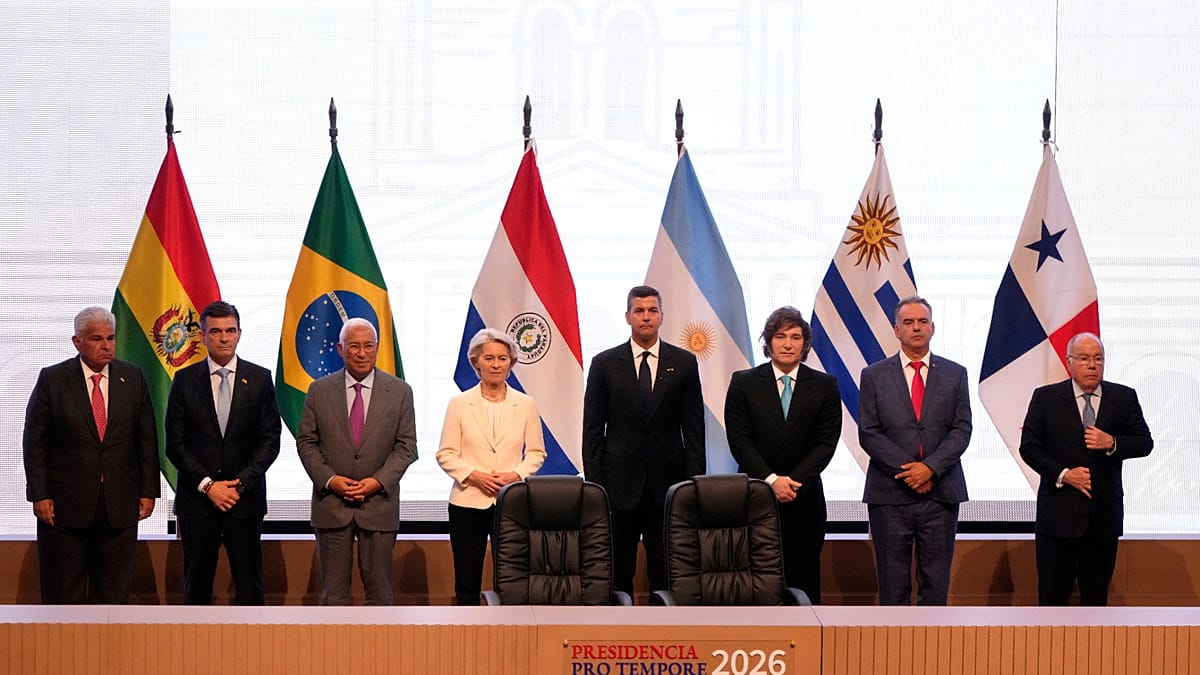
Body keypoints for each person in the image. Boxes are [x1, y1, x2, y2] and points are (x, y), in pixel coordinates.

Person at [22, 306, 159, 604]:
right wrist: (40, 495)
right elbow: (35, 444)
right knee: (63, 595)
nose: (106, 346)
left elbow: (146, 439)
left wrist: (148, 491)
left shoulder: (132, 377)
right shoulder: (53, 379)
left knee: (113, 596)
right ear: (77, 342)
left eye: (110, 338)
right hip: (64, 507)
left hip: (118, 505)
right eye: (97, 339)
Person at [583, 285, 705, 597]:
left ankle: (666, 627)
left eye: (652, 311)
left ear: (662, 316)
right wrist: (597, 487)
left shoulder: (684, 363)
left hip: (668, 487)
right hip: (617, 488)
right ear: (628, 317)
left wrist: (692, 485)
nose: (646, 317)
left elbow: (694, 430)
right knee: (617, 574)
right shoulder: (604, 364)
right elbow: (593, 431)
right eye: (639, 311)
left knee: (666, 574)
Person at [1019, 332, 1153, 606]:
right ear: (1069, 362)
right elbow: (1029, 448)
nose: (1092, 365)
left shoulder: (1124, 397)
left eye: (1098, 358)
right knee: (1052, 602)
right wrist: (1065, 474)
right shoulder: (1046, 398)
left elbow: (1144, 443)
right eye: (1083, 358)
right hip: (1057, 519)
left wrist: (1112, 442)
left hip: (1102, 518)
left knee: (1095, 603)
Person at [858, 296, 972, 605]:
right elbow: (868, 432)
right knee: (892, 587)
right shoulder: (873, 375)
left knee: (935, 587)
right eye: (908, 322)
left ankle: (931, 640)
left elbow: (962, 430)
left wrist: (930, 468)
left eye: (922, 321)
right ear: (896, 330)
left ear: (933, 327)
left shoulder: (955, 374)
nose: (916, 328)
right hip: (889, 495)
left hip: (940, 493)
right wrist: (910, 471)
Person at [165, 300, 281, 605]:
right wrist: (208, 486)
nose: (224, 338)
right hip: (197, 503)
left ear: (240, 333)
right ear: (203, 336)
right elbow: (175, 443)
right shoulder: (184, 380)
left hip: (244, 503)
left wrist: (238, 486)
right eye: (216, 331)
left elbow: (270, 441)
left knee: (250, 588)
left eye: (230, 330)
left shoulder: (260, 379)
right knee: (196, 588)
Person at [296, 317, 418, 605]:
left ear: (377, 348)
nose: (362, 353)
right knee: (334, 597)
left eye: (368, 346)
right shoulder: (318, 390)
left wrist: (377, 482)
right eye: (354, 346)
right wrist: (331, 480)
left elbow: (406, 446)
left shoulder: (400, 391)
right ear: (340, 349)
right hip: (332, 505)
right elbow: (306, 442)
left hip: (379, 505)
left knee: (380, 596)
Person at [725, 306, 840, 604]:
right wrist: (772, 480)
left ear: (805, 343)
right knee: (754, 584)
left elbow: (826, 443)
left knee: (803, 584)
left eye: (795, 337)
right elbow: (739, 440)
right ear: (768, 342)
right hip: (756, 496)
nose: (788, 344)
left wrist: (792, 481)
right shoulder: (743, 383)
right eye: (780, 336)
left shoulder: (825, 386)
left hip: (804, 498)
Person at [437, 328, 546, 605]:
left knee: (511, 580)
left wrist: (515, 475)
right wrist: (475, 476)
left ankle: (509, 629)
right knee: (467, 580)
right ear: (476, 362)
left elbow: (536, 453)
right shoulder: (459, 404)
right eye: (489, 358)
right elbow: (446, 454)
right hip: (467, 502)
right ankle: (467, 629)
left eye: (502, 358)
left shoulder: (526, 404)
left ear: (511, 362)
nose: (496, 364)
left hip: (511, 502)